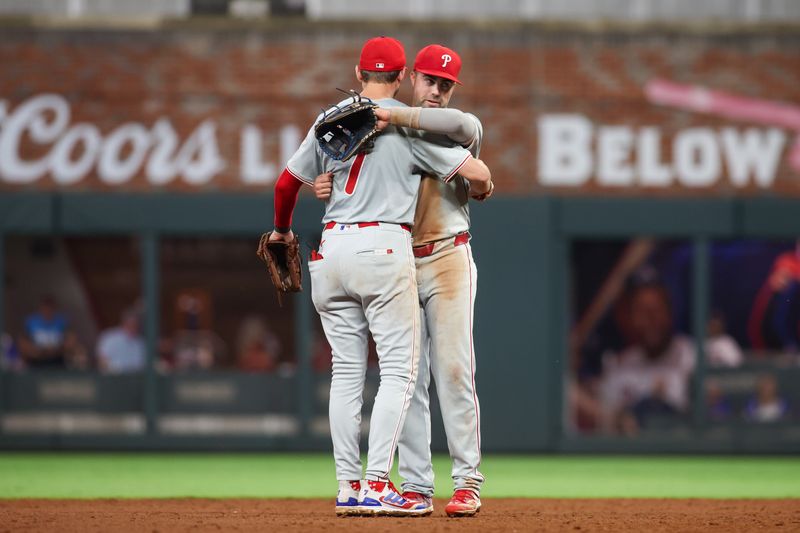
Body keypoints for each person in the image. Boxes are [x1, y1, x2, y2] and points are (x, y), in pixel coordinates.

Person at [269, 36, 492, 517]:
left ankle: (467, 481)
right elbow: (332, 174)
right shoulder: (386, 126)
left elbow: (470, 149)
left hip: (447, 256)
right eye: (430, 79)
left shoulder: (447, 124)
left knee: (453, 370)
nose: (437, 90)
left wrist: (393, 119)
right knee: (408, 379)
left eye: (446, 84)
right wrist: (325, 182)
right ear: (409, 76)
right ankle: (413, 485)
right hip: (397, 258)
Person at [19, 296, 86, 369]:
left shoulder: (61, 321)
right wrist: (36, 351)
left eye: (50, 308)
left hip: (57, 357)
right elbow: (23, 341)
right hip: (36, 358)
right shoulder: (31, 321)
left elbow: (71, 338)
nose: (47, 311)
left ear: (54, 308)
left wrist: (59, 349)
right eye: (45, 308)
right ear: (40, 308)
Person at [96, 309, 146, 373]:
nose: (133, 327)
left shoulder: (140, 343)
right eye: (131, 324)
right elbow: (102, 361)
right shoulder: (110, 337)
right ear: (124, 323)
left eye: (136, 325)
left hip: (136, 379)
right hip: (114, 379)